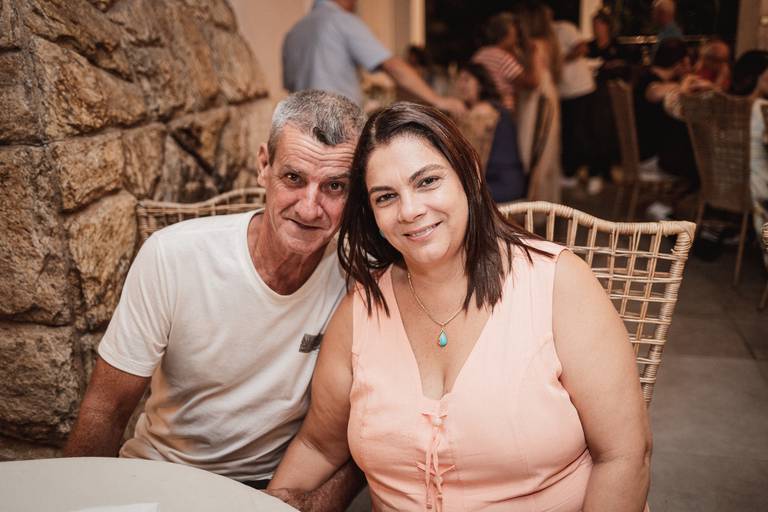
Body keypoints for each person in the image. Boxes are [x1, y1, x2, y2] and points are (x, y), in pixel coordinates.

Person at [267, 102, 652, 510]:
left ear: (469, 173)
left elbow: (624, 455)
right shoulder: (361, 310)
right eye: (386, 197)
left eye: (427, 181)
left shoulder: (557, 283)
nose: (410, 210)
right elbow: (319, 447)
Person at [63, 90, 366, 511]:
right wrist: (78, 502)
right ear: (264, 166)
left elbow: (375, 425)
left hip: (274, 487)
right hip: (162, 476)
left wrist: (314, 503)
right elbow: (106, 408)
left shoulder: (361, 278)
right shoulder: (173, 256)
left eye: (334, 186)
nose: (310, 208)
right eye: (294, 178)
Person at [282, 0, 464, 117]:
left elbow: (289, 86)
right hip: (337, 126)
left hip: (302, 129)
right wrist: (438, 100)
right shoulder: (342, 21)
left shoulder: (293, 33)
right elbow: (392, 66)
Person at [634, 38, 700, 219]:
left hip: (649, 152)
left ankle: (668, 203)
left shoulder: (647, 77)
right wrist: (684, 85)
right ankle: (666, 205)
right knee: (702, 163)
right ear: (680, 63)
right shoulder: (649, 81)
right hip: (652, 157)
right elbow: (654, 92)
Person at [455, 62, 526, 202]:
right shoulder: (495, 106)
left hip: (500, 184)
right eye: (459, 80)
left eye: (466, 80)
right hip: (510, 181)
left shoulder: (483, 110)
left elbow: (471, 154)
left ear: (480, 84)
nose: (461, 85)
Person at [514, 4, 563, 203]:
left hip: (537, 101)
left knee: (533, 150)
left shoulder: (535, 45)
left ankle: (534, 202)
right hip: (549, 95)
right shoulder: (551, 43)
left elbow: (533, 80)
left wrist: (515, 80)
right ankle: (546, 201)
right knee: (547, 153)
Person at [554, 18, 607, 195]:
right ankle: (570, 173)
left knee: (586, 134)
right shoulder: (543, 36)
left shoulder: (564, 27)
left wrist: (560, 61)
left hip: (581, 88)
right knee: (569, 134)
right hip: (563, 91)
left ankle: (595, 174)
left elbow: (582, 48)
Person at [730, 50, 768, 249]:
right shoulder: (762, 108)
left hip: (727, 186)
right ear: (758, 76)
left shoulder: (727, 105)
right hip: (758, 189)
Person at [471, 12, 539, 114]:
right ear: (507, 34)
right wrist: (533, 55)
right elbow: (531, 83)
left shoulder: (480, 53)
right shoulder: (503, 58)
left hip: (481, 109)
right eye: (515, 34)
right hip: (501, 111)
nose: (517, 40)